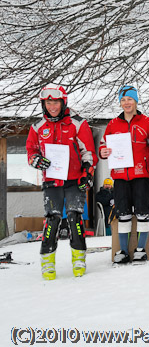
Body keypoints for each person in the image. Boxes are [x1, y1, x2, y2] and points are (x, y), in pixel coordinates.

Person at [26, 85, 98, 280]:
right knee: (52, 219)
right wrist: (35, 160)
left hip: (74, 180)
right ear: (43, 104)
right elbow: (31, 151)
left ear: (63, 102)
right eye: (48, 102)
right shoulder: (38, 126)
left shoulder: (78, 123)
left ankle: (79, 259)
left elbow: (89, 153)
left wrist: (87, 172)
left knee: (75, 218)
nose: (52, 106)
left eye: (56, 102)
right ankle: (47, 262)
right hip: (51, 180)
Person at [99, 86, 149, 263]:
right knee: (122, 213)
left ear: (136, 101)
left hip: (141, 174)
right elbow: (103, 145)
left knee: (142, 213)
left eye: (130, 99)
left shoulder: (146, 122)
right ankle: (123, 251)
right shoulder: (112, 124)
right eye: (123, 100)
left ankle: (140, 249)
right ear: (120, 102)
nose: (126, 103)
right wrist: (103, 152)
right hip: (120, 176)